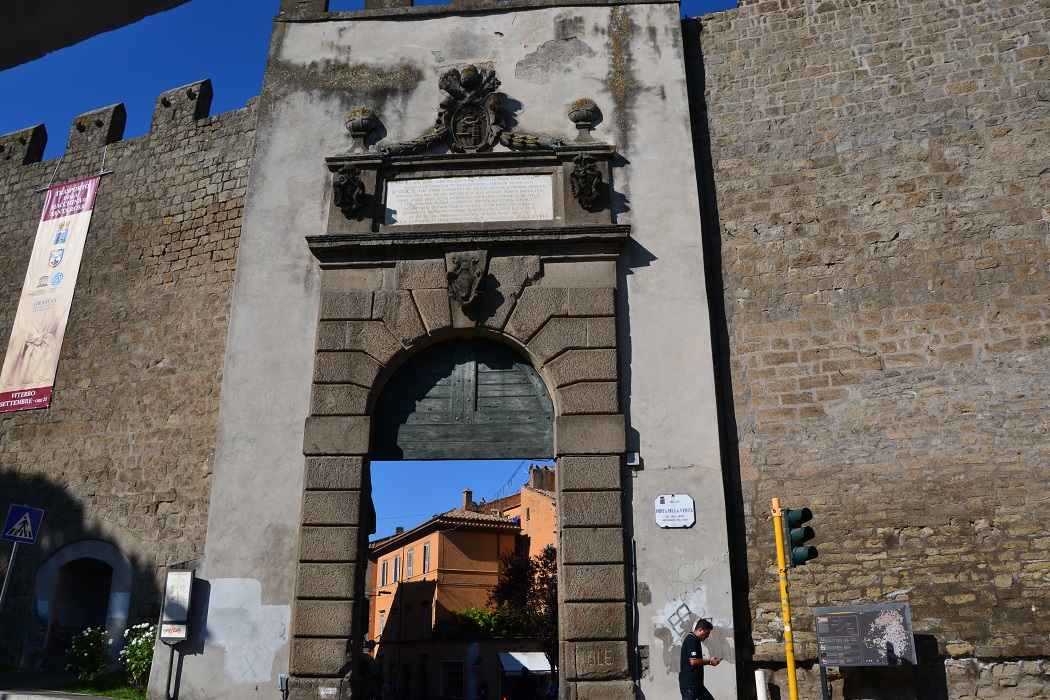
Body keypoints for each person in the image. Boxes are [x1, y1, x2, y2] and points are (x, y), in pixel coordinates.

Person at [679, 618, 720, 700]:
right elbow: (693, 661)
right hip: (690, 684)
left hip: (697, 684)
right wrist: (710, 662)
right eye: (706, 633)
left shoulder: (695, 640)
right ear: (700, 630)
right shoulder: (691, 640)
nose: (707, 636)